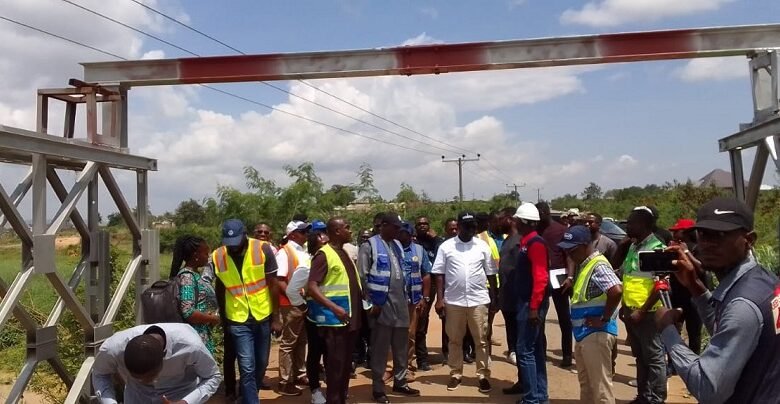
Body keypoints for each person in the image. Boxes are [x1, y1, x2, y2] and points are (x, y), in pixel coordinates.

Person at [656, 197, 780, 404]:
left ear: (749, 240)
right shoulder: (764, 279)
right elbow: (730, 329)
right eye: (703, 234)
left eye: (720, 236)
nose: (708, 244)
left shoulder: (743, 304)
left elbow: (708, 388)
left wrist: (667, 330)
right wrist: (694, 286)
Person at [213, 219, 281, 404]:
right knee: (247, 366)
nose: (232, 248)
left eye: (236, 243)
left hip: (262, 316)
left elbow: (273, 285)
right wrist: (224, 317)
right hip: (237, 319)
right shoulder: (217, 256)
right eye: (229, 244)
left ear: (244, 235)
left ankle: (247, 397)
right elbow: (220, 287)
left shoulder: (262, 249)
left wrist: (276, 317)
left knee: (261, 364)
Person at [432, 211, 498, 394]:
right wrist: (440, 298)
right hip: (454, 301)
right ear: (459, 226)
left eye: (473, 226)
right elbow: (439, 274)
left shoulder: (482, 246)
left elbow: (491, 273)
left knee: (482, 340)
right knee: (454, 340)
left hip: (479, 300)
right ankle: (455, 373)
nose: (471, 230)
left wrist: (494, 297)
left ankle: (483, 375)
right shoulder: (446, 246)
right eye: (467, 226)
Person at [360, 214, 421, 403]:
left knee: (401, 345)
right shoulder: (369, 246)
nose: (398, 231)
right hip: (381, 305)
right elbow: (362, 277)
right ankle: (378, 388)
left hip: (401, 303)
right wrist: (370, 305)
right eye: (395, 227)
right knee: (380, 348)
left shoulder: (397, 245)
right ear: (384, 226)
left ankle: (400, 382)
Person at [559, 226, 623, 404]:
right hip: (584, 334)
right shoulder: (585, 265)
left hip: (596, 334)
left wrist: (604, 318)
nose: (569, 255)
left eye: (572, 250)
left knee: (601, 389)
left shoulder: (598, 265)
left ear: (585, 245)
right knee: (587, 385)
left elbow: (616, 291)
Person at [307, 217, 363, 404]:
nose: (351, 230)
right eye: (347, 227)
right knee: (336, 368)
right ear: (337, 231)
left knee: (345, 366)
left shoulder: (344, 252)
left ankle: (341, 399)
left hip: (349, 320)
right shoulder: (324, 255)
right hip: (335, 322)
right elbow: (312, 287)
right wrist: (334, 307)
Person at [92, 323, 222, 404]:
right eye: (137, 377)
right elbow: (99, 373)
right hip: (137, 396)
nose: (145, 381)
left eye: (148, 378)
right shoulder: (113, 348)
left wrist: (186, 402)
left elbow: (213, 376)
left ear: (163, 360)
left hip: (180, 393)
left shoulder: (191, 346)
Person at [619, 206, 666, 404]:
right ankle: (642, 397)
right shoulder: (633, 246)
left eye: (631, 223)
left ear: (644, 225)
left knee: (654, 359)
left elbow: (661, 286)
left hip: (648, 314)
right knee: (640, 357)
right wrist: (624, 306)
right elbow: (628, 278)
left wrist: (642, 310)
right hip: (632, 311)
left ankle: (655, 399)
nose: (628, 226)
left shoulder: (656, 248)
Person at [503, 203, 550, 403]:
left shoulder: (535, 244)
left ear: (523, 222)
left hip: (531, 305)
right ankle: (540, 396)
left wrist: (533, 309)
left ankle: (532, 399)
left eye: (516, 220)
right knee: (535, 350)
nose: (513, 222)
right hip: (527, 303)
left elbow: (541, 278)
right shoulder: (526, 242)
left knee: (525, 351)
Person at [287, 219, 329, 404]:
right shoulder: (307, 264)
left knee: (332, 353)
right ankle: (315, 391)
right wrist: (304, 307)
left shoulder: (336, 259)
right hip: (316, 316)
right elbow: (291, 290)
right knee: (315, 352)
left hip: (334, 315)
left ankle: (334, 389)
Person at [275, 220, 312, 396]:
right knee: (289, 342)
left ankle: (299, 373)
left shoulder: (301, 251)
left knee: (301, 340)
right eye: (302, 232)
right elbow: (280, 280)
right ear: (292, 235)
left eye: (306, 232)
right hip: (290, 304)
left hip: (300, 302)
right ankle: (285, 381)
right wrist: (294, 299)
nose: (306, 234)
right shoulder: (285, 252)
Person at [536, 202, 573, 368]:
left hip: (559, 277)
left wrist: (570, 277)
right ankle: (541, 352)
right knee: (540, 317)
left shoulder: (561, 230)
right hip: (541, 277)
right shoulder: (536, 230)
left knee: (564, 316)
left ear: (545, 213)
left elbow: (569, 255)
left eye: (539, 214)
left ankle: (566, 354)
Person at [169, 236, 220, 354]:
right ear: (196, 255)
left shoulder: (195, 274)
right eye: (206, 253)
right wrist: (213, 318)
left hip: (200, 335)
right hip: (194, 338)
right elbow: (188, 312)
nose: (208, 256)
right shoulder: (188, 277)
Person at [397, 221, 432, 375]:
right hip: (395, 300)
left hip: (414, 299)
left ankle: (408, 367)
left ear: (411, 234)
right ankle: (392, 368)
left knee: (410, 335)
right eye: (400, 232)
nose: (401, 235)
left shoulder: (419, 250)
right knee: (394, 335)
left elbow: (426, 274)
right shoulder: (391, 249)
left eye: (405, 232)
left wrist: (425, 297)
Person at [666, 218, 703, 357]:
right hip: (678, 295)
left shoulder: (699, 248)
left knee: (694, 333)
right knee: (674, 330)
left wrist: (686, 252)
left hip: (695, 298)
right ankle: (673, 362)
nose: (674, 235)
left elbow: (701, 269)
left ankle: (696, 362)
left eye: (677, 232)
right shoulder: (673, 247)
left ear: (688, 232)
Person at [413, 216, 443, 371]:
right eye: (420, 224)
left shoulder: (436, 241)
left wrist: (436, 237)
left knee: (430, 318)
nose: (423, 226)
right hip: (417, 284)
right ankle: (418, 358)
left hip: (432, 282)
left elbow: (443, 250)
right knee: (417, 322)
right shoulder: (413, 243)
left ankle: (426, 358)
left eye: (425, 223)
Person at [496, 207, 520, 366]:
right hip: (507, 296)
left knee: (520, 333)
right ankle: (512, 351)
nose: (498, 223)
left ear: (510, 219)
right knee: (511, 328)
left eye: (501, 219)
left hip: (517, 296)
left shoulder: (519, 241)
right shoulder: (506, 240)